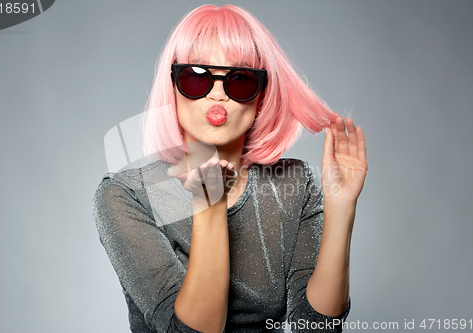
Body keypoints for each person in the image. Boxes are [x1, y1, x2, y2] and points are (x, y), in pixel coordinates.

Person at [93, 4, 367, 333]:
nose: (219, 95)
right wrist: (210, 205)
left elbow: (314, 327)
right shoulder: (125, 196)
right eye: (196, 78)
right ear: (173, 87)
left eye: (239, 81)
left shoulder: (294, 184)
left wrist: (341, 205)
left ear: (261, 96)